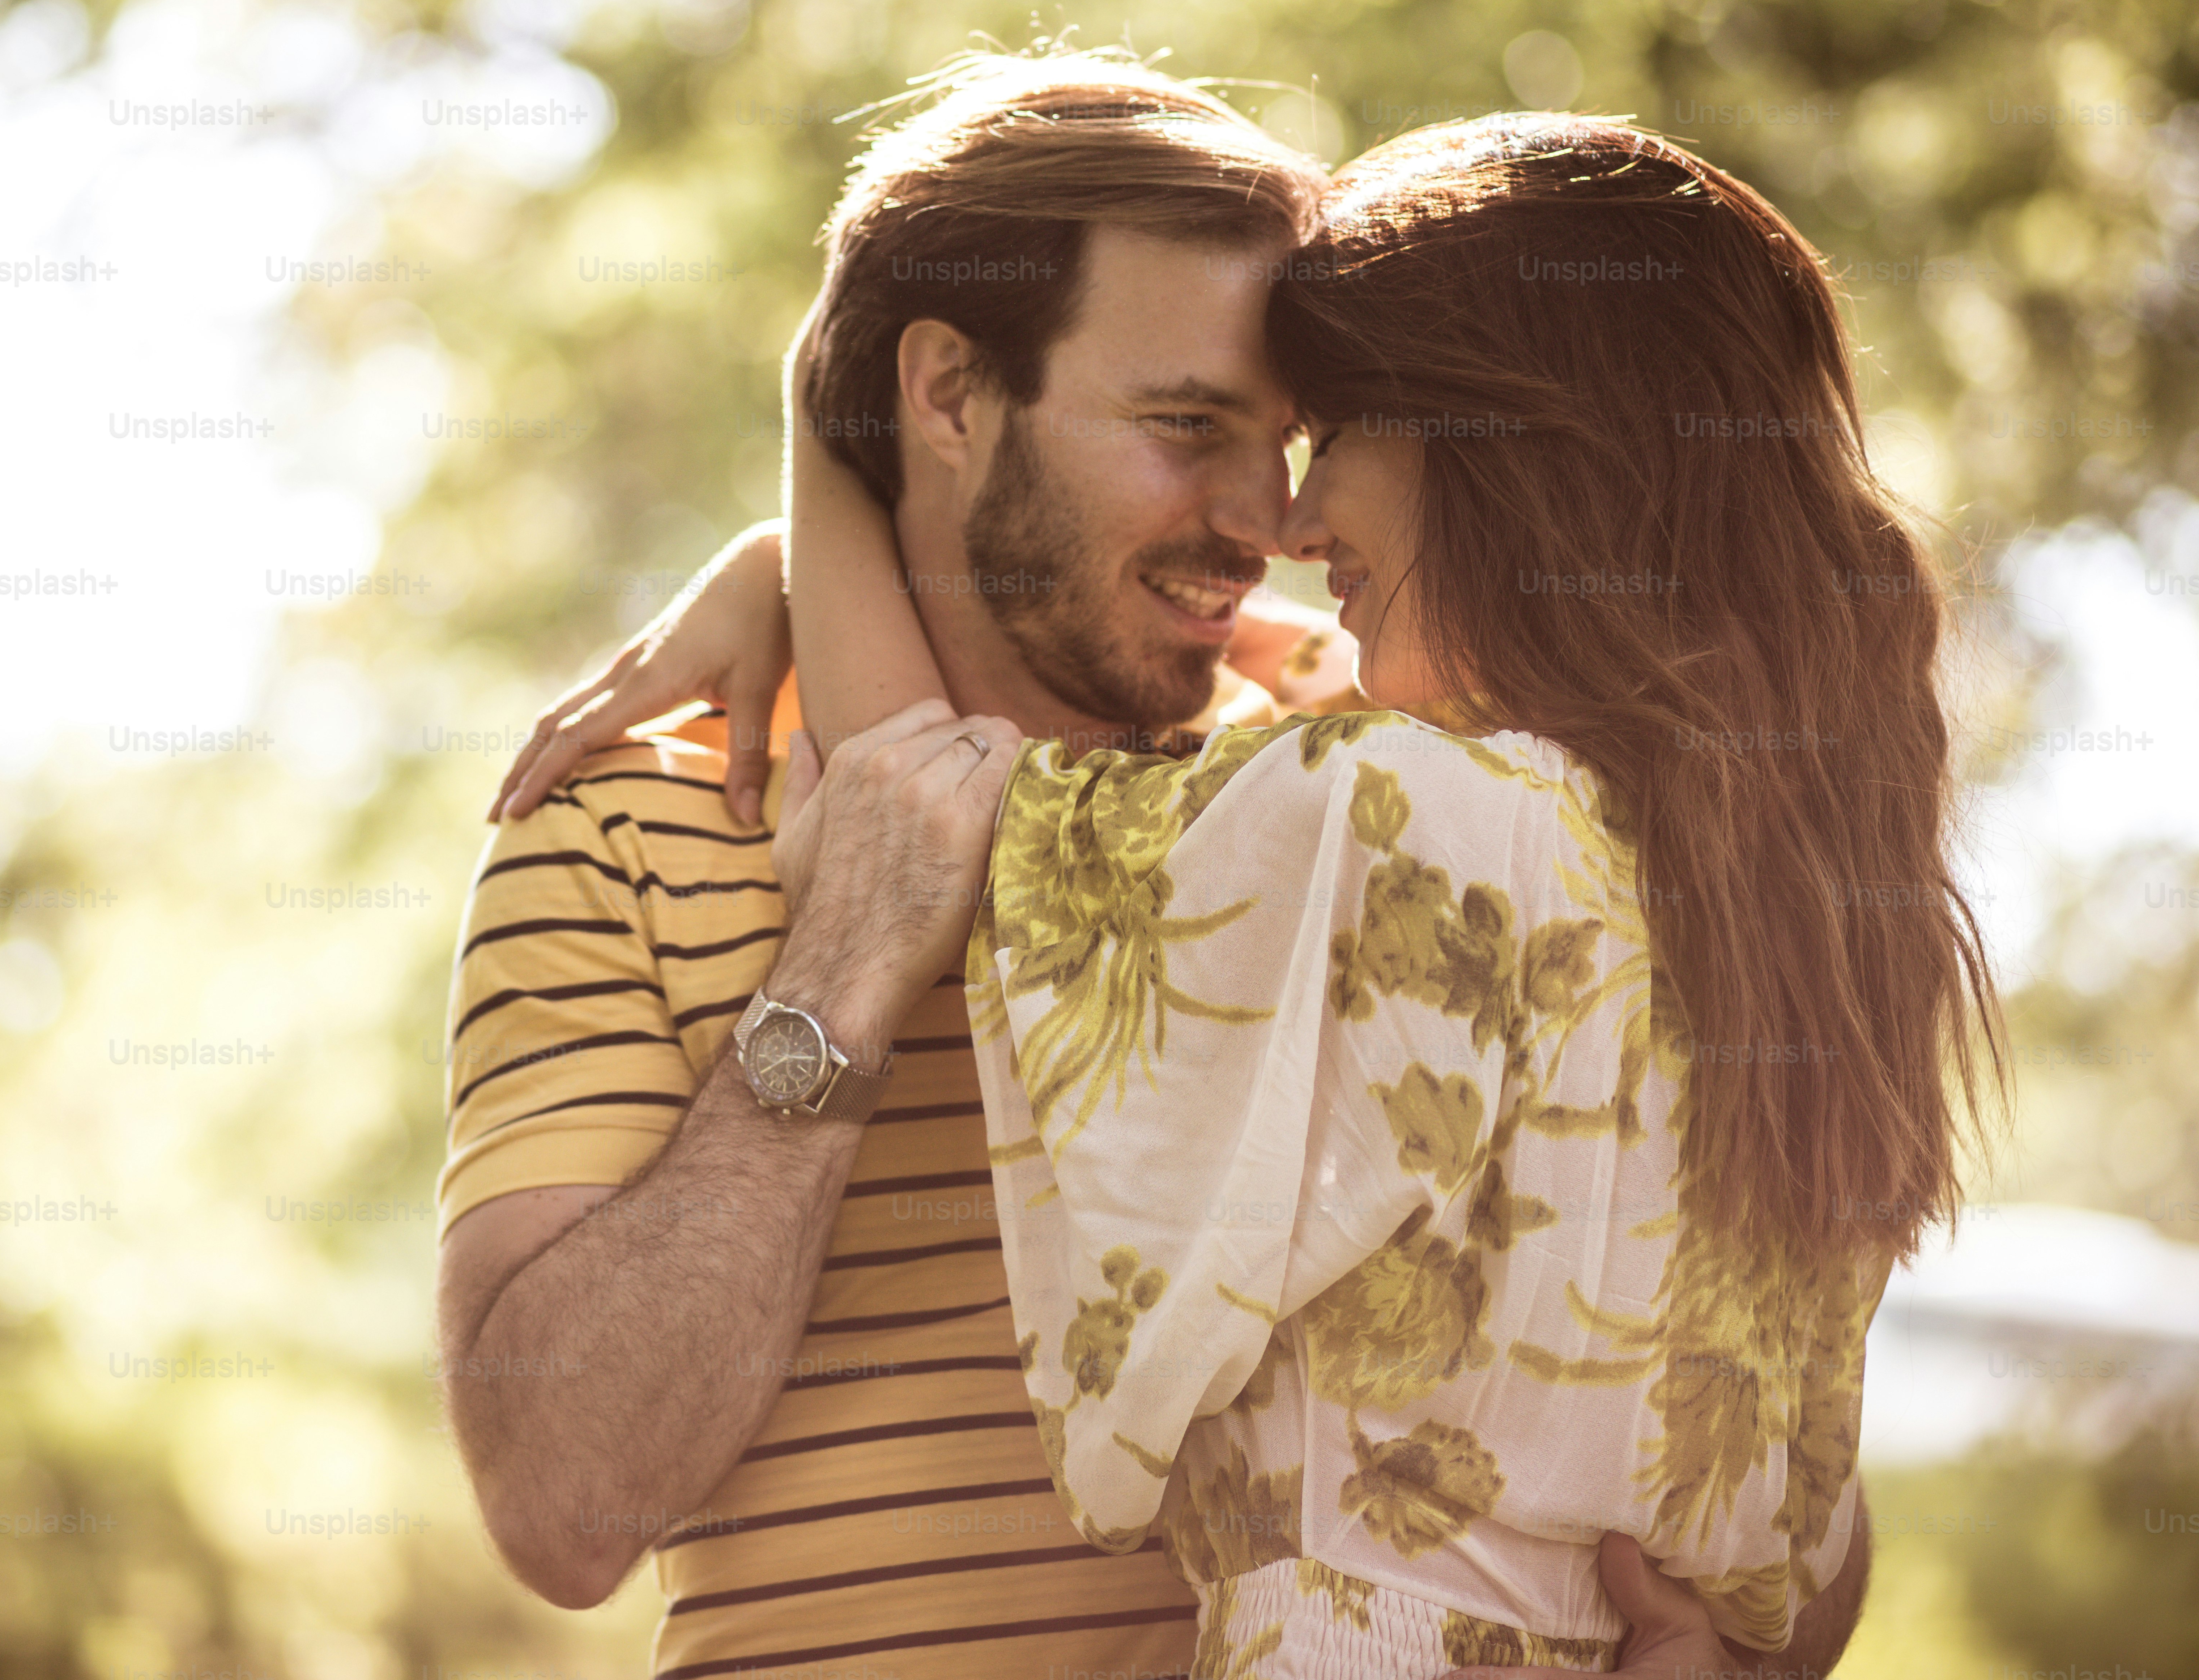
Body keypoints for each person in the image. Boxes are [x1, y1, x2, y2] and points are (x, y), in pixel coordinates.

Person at [528, 112, 2000, 1676]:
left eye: (1341, 431)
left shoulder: (1390, 816)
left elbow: (921, 795)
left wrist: (812, 475)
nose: (1292, 523)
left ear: (1506, 452)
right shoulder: (1784, 902)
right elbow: (1789, 1550)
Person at [434, 50, 1330, 1680]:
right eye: (1186, 426)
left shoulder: (1337, 812)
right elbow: (562, 1506)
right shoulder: (626, 826)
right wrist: (834, 979)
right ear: (946, 392)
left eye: (1285, 441)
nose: (1260, 518)